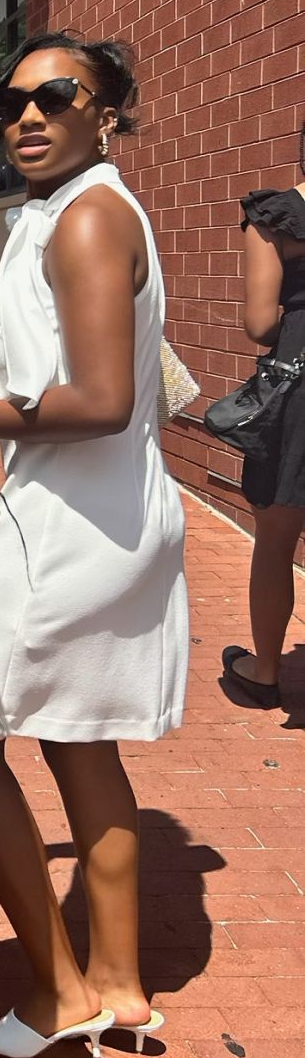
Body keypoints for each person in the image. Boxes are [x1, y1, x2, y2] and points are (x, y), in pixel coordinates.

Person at [0, 32, 187, 1058]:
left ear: (106, 108)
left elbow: (95, 398)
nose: (27, 117)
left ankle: (56, 986)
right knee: (80, 741)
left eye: (54, 96)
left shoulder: (84, 217)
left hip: (68, 531)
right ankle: (121, 985)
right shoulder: (80, 209)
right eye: (8, 103)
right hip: (104, 517)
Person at [223, 151, 305, 707]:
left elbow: (259, 323)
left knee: (276, 538)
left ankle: (266, 670)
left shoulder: (277, 216)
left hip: (297, 393)